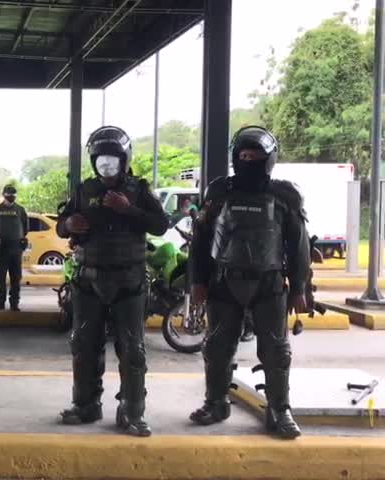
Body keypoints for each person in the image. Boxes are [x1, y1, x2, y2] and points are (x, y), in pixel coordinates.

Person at [189, 125, 310, 439]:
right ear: (234, 158)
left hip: (269, 285)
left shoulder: (285, 195)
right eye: (243, 156)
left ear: (268, 160)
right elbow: (200, 240)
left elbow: (298, 245)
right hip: (223, 283)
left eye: (255, 157)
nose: (249, 161)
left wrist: (299, 287)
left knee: (276, 351)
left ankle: (279, 410)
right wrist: (197, 281)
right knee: (216, 348)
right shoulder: (218, 192)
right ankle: (215, 403)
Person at [56, 126, 167, 437]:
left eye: (112, 160)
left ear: (124, 159)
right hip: (88, 280)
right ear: (94, 162)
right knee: (83, 345)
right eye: (101, 161)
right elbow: (62, 229)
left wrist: (128, 209)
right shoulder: (83, 190)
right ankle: (85, 405)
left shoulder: (140, 190)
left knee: (133, 349)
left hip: (129, 281)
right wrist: (68, 223)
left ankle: (132, 411)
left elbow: (160, 225)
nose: (106, 167)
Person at [0, 185, 28, 311]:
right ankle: (0, 302)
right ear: (4, 194)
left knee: (16, 277)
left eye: (13, 194)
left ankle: (14, 303)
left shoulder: (20, 210)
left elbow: (25, 228)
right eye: (9, 194)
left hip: (16, 249)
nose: (11, 196)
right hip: (1, 249)